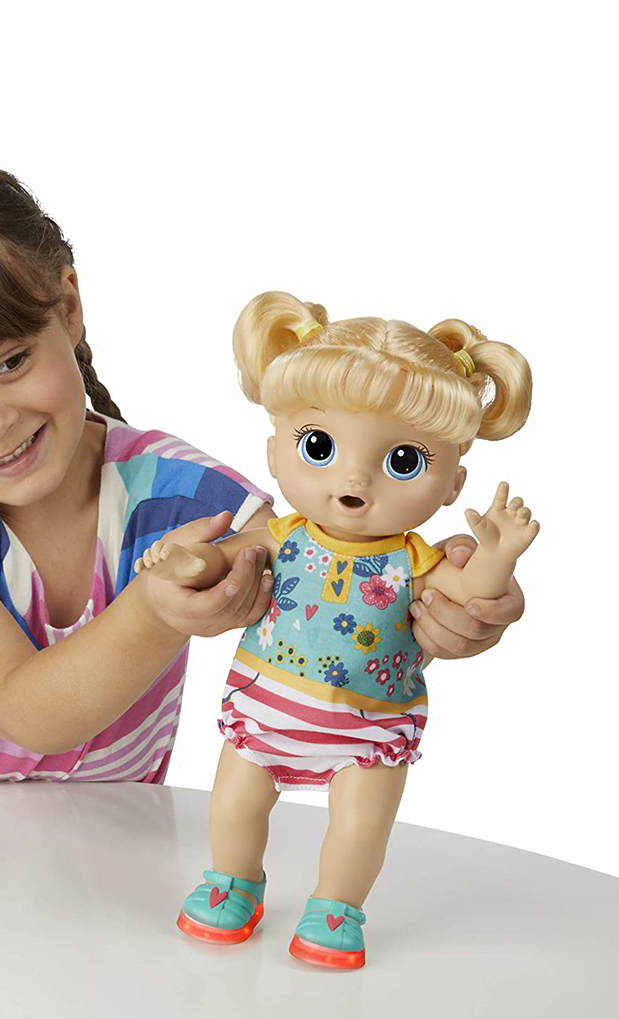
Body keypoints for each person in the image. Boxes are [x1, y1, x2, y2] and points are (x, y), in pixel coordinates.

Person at [0, 154, 524, 791]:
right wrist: (152, 611)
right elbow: (27, 711)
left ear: (69, 308)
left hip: (100, 846)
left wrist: (452, 604)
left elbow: (333, 573)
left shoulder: (176, 490)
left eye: (11, 362)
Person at [136, 290, 536, 968]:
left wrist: (497, 557)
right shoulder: (281, 534)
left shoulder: (416, 561)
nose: (355, 477)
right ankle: (235, 881)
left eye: (403, 461)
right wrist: (182, 560)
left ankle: (336, 907)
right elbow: (221, 560)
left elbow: (471, 596)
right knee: (233, 806)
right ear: (274, 450)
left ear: (452, 484)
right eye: (318, 445)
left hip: (370, 724)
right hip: (266, 709)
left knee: (359, 827)